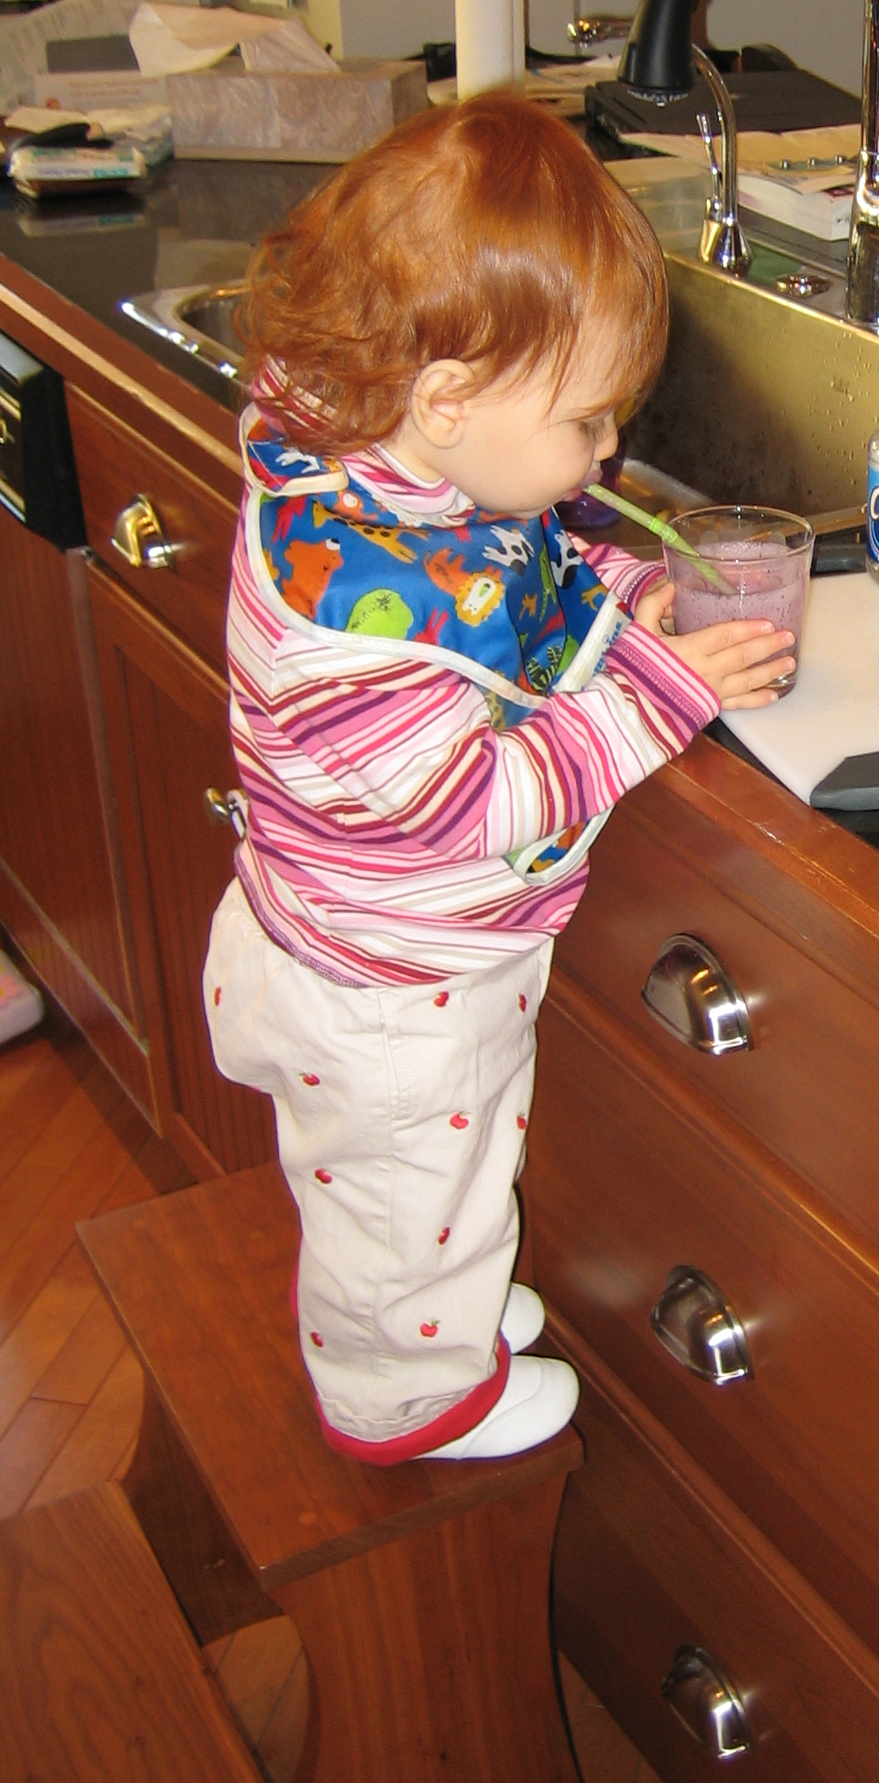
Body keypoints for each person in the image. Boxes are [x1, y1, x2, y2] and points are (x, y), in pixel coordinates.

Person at [203, 93, 793, 1464]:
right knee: (412, 1194)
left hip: (345, 935)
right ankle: (400, 1394)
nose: (610, 454)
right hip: (390, 990)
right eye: (590, 423)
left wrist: (625, 598)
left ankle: (429, 1310)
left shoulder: (395, 476)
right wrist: (657, 697)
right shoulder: (358, 618)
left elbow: (522, 568)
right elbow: (475, 807)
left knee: (414, 1191)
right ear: (451, 399)